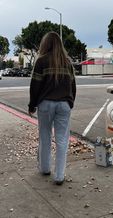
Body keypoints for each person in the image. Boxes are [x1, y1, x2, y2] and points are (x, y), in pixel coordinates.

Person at [28, 31, 76, 185]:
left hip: (46, 104)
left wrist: (32, 105)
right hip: (64, 105)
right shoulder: (67, 62)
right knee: (62, 140)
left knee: (45, 137)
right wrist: (70, 102)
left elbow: (35, 86)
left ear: (45, 44)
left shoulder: (41, 61)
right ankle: (59, 176)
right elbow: (73, 87)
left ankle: (45, 168)